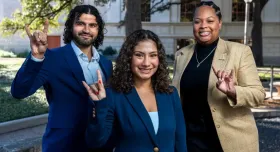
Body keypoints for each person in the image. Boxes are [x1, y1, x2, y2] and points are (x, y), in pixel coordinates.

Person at [11, 5, 114, 152]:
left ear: (98, 30)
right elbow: (19, 91)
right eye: (80, 24)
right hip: (63, 145)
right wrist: (36, 57)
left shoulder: (106, 64)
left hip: (100, 146)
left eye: (92, 25)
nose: (86, 30)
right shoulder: (52, 58)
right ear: (71, 26)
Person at [172, 1, 265, 152]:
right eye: (197, 21)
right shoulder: (181, 55)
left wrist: (233, 91)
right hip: (190, 140)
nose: (203, 26)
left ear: (219, 23)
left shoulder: (239, 52)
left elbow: (258, 95)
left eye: (210, 21)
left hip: (228, 141)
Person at [83, 29, 187, 152]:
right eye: (139, 55)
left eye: (153, 55)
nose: (146, 63)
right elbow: (96, 142)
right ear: (129, 58)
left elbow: (180, 142)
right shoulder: (113, 95)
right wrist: (100, 104)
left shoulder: (171, 94)